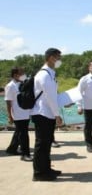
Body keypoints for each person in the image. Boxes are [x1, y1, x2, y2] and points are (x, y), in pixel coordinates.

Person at [30, 48, 63, 181]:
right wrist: (57, 115)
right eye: (58, 57)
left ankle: (46, 169)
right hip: (42, 113)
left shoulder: (50, 73)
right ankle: (39, 173)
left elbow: (53, 96)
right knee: (42, 144)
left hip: (46, 113)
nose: (59, 60)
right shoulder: (44, 75)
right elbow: (50, 97)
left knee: (46, 143)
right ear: (50, 58)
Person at [4, 67, 33, 161]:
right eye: (21, 73)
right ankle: (25, 154)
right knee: (23, 134)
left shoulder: (23, 83)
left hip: (26, 112)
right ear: (15, 75)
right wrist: (10, 116)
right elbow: (8, 102)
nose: (23, 74)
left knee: (19, 132)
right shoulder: (10, 86)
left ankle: (11, 149)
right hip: (18, 114)